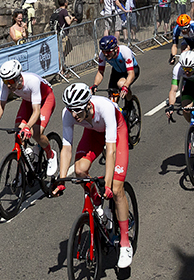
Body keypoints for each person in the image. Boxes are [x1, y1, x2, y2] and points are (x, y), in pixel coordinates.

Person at [51, 83, 134, 268]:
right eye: (71, 110)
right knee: (80, 170)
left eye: (78, 110)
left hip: (116, 134)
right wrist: (62, 179)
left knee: (116, 188)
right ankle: (96, 199)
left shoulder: (105, 108)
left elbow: (111, 151)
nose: (74, 115)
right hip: (94, 134)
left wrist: (108, 183)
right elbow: (66, 148)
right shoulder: (68, 114)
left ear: (88, 104)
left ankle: (125, 243)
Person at [0, 60, 59, 178]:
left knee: (36, 132)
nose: (8, 85)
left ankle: (50, 154)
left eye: (10, 81)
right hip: (28, 101)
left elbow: (36, 111)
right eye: (5, 81)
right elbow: (1, 105)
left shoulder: (32, 81)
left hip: (46, 99)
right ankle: (21, 171)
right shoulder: (6, 83)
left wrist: (27, 127)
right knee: (18, 133)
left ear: (19, 77)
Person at [92, 35, 139, 104]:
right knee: (111, 96)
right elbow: (100, 72)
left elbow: (131, 74)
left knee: (121, 84)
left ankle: (130, 104)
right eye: (104, 51)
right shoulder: (102, 55)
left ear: (115, 48)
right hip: (117, 71)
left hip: (131, 70)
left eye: (108, 51)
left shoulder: (125, 51)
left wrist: (125, 87)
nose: (106, 54)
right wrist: (95, 85)